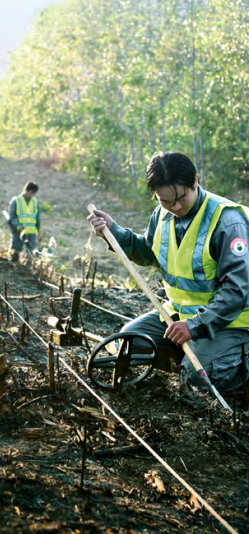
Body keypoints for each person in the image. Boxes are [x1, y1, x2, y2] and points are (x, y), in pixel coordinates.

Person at [89, 152, 249, 395]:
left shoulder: (227, 221)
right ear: (155, 196)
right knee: (127, 343)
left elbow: (237, 290)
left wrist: (196, 326)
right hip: (178, 316)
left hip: (231, 323)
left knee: (199, 379)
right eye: (165, 201)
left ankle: (231, 355)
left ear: (195, 180)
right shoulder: (162, 215)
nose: (175, 207)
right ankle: (192, 351)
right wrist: (113, 231)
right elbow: (148, 253)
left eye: (181, 198)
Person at [7, 182, 40, 262]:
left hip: (31, 232)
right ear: (26, 190)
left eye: (34, 193)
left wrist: (38, 230)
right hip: (19, 230)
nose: (32, 195)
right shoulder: (16, 201)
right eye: (31, 193)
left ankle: (27, 270)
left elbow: (38, 218)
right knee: (15, 251)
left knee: (30, 253)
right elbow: (12, 216)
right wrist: (17, 225)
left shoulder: (35, 202)